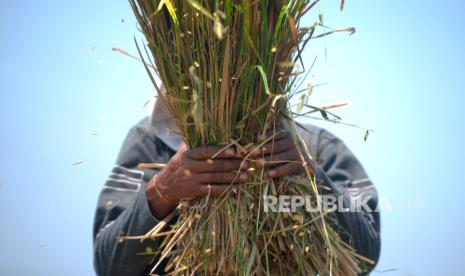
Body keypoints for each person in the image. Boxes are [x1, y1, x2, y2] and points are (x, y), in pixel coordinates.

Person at [93, 97, 381, 276]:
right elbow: (110, 266)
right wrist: (163, 190)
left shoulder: (314, 146)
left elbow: (365, 257)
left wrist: (311, 175)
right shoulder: (150, 142)